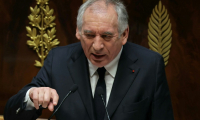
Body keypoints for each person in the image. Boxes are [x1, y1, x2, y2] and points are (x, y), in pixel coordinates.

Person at [4, 0, 174, 120]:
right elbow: (11, 114)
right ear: (78, 32)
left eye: (107, 36)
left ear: (124, 34)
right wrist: (31, 97)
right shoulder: (59, 60)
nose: (97, 46)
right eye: (89, 35)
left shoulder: (150, 65)